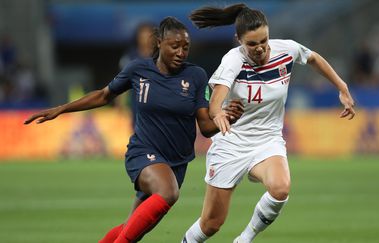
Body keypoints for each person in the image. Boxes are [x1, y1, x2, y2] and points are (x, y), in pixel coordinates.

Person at [24, 17, 244, 243]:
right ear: (159, 43)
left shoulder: (195, 75)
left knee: (133, 228)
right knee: (168, 193)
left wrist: (226, 118)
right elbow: (103, 95)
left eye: (185, 47)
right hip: (144, 152)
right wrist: (61, 109)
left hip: (177, 162)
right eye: (175, 46)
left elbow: (205, 128)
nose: (181, 52)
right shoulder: (138, 69)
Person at [182, 3, 355, 243]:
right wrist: (218, 113)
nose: (260, 48)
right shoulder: (233, 60)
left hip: (267, 141)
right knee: (212, 224)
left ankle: (244, 239)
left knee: (281, 188)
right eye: (252, 44)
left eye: (264, 40)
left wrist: (341, 87)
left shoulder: (287, 50)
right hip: (231, 143)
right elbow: (217, 97)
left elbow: (313, 58)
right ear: (239, 41)